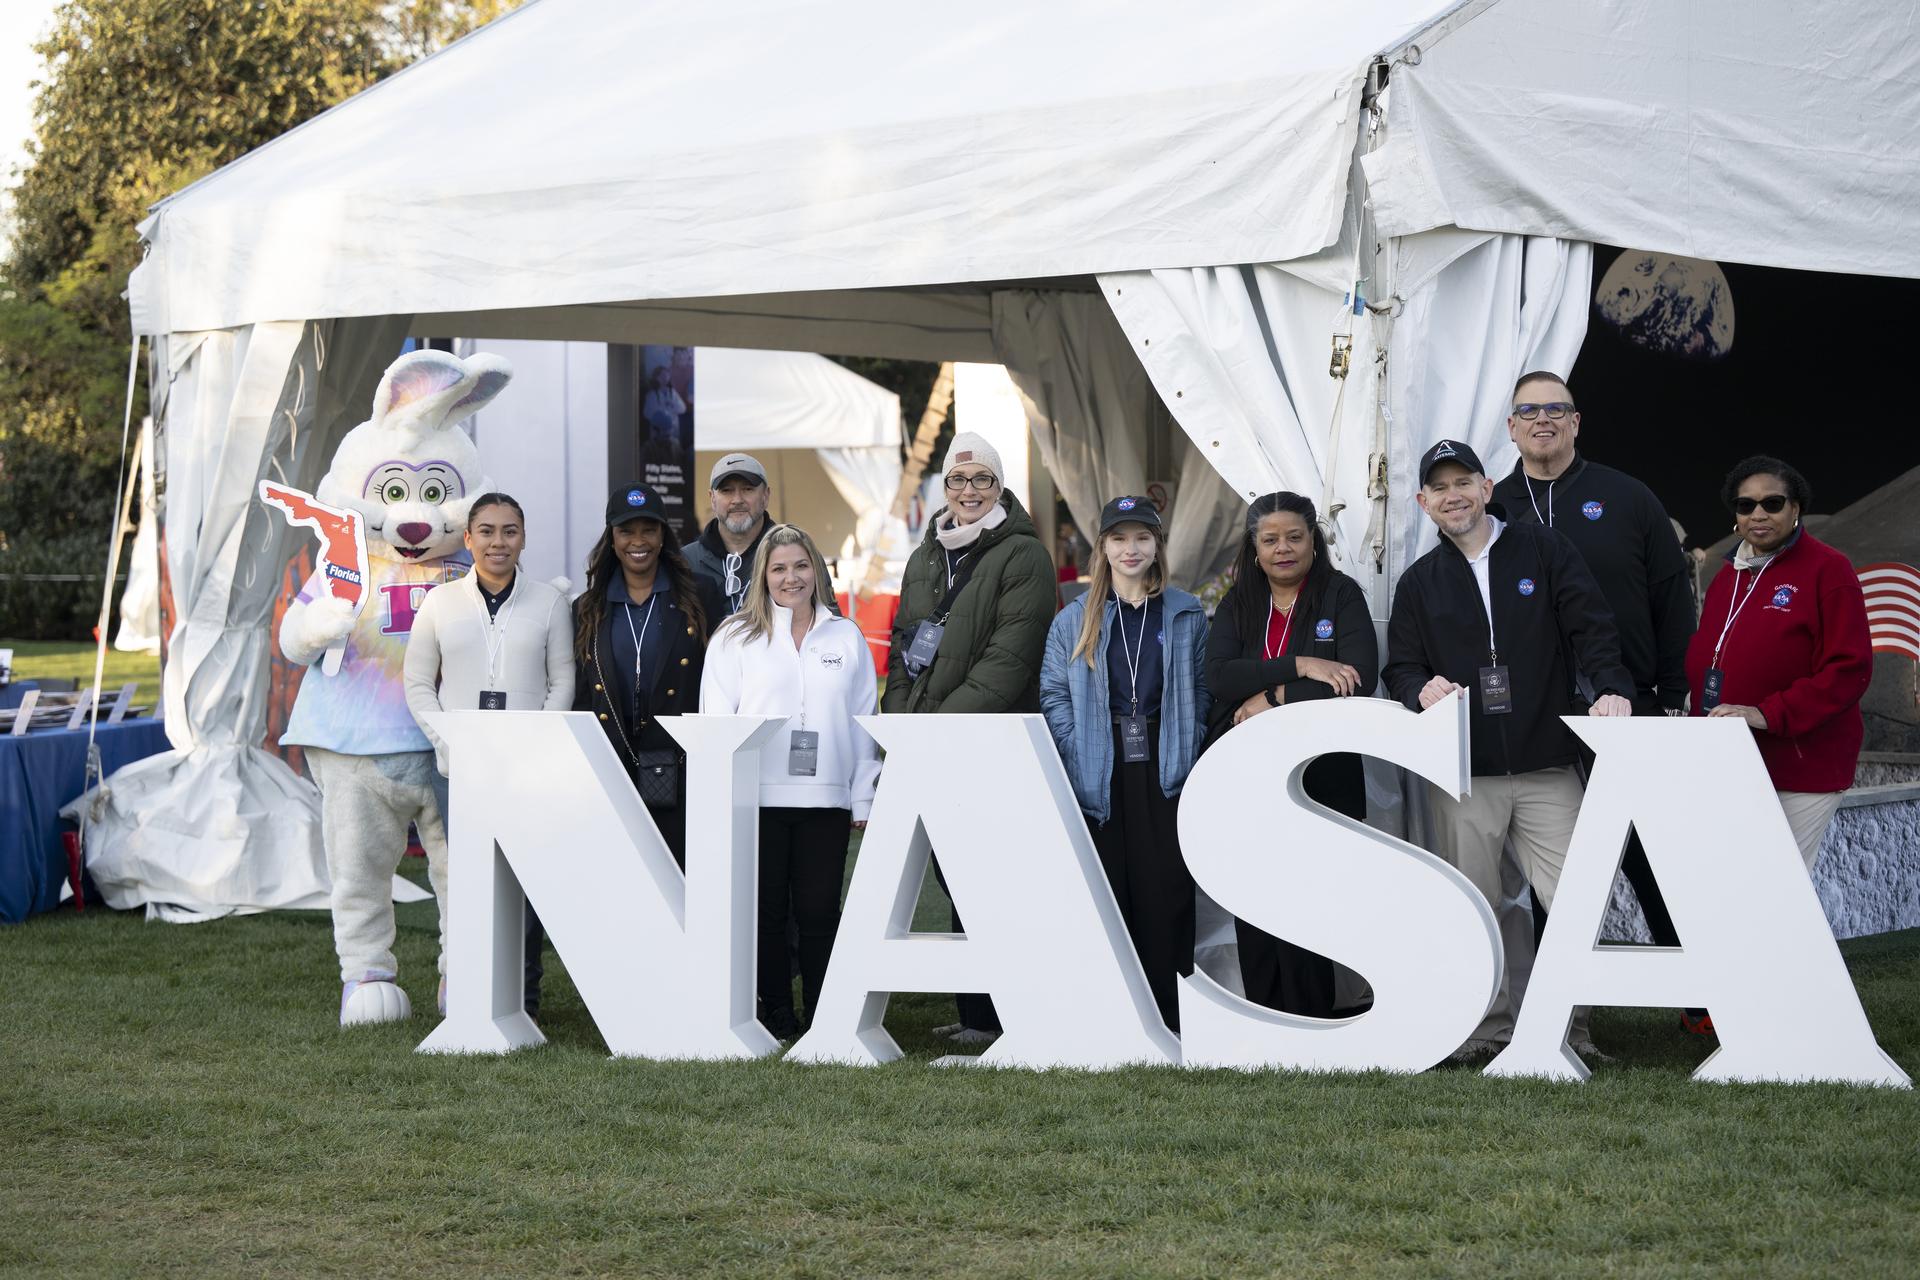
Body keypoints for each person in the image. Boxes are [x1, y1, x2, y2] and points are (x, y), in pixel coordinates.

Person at [1384, 439, 1635, 1063]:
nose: (1453, 496)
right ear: (1424, 502)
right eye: (1439, 489)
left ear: (1486, 486)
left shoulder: (1543, 550)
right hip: (1467, 774)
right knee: (1478, 907)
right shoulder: (1420, 582)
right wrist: (1420, 689)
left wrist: (1611, 688)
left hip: (1548, 761)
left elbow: (1592, 627)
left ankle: (1569, 1030)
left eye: (1463, 482)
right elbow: (1402, 667)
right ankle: (1487, 1031)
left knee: (1576, 899)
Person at [1489, 371, 1699, 1026]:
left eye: (1557, 409)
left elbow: (1672, 600)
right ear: (1511, 428)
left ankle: (1702, 1000)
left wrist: (1668, 693)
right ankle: (1562, 1011)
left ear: (1576, 422)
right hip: (1531, 714)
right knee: (1560, 854)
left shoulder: (1627, 497)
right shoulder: (1492, 506)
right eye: (1530, 411)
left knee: (1646, 851)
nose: (1543, 420)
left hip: (1624, 703)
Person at [885, 431, 1056, 1045]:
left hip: (986, 745)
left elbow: (1009, 662)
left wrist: (931, 731)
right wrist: (900, 725)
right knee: (953, 874)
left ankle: (1003, 1013)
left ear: (1000, 486)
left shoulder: (1023, 556)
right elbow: (905, 644)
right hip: (931, 741)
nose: (969, 492)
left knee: (993, 878)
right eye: (958, 481)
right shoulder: (926, 552)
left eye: (982, 479)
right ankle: (976, 1012)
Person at [701, 524, 881, 1038]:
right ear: (763, 574)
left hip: (827, 799)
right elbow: (717, 721)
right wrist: (723, 795)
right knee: (767, 913)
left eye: (801, 566)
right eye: (779, 568)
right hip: (756, 797)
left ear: (816, 571)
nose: (791, 577)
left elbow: (864, 721)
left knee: (820, 910)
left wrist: (862, 795)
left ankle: (824, 1014)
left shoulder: (845, 637)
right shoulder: (735, 638)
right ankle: (776, 1011)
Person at [1039, 496, 1209, 1031]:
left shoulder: (1184, 612)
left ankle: (1169, 1014)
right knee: (1109, 890)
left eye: (1141, 538)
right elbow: (1053, 693)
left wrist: (1191, 736)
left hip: (1164, 762)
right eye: (1119, 538)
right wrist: (1074, 746)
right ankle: (1112, 1018)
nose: (1130, 549)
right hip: (1101, 764)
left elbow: (1202, 689)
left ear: (1157, 545)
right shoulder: (1074, 617)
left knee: (1168, 893)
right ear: (1103, 547)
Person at [1203, 492, 1376, 1017]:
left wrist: (1272, 695)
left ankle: (1314, 1015)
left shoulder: (1341, 594)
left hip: (1321, 779)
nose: (1283, 548)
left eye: (1295, 537)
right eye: (1270, 539)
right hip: (1249, 777)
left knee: (1311, 901)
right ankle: (1266, 1013)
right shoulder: (1239, 602)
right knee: (1255, 897)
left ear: (1313, 542)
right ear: (1254, 549)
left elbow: (1356, 677)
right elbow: (1220, 676)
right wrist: (1300, 665)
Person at [403, 493, 574, 1015]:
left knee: (523, 882)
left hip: (526, 772)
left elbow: (562, 680)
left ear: (523, 537)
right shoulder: (439, 603)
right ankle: (469, 991)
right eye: (488, 531)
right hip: (460, 771)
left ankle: (523, 995)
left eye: (510, 531)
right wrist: (448, 741)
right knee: (470, 881)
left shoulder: (549, 602)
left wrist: (533, 748)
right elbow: (416, 683)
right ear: (469, 538)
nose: (498, 542)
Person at [1685, 456, 1871, 872]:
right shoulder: (1728, 575)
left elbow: (1848, 669)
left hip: (1801, 766)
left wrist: (1766, 713)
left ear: (1795, 508)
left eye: (1772, 503)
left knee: (1777, 886)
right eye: (1745, 505)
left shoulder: (1828, 569)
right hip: (1735, 763)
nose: (1758, 514)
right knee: (1740, 881)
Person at [573, 482, 725, 868]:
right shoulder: (587, 608)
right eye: (626, 531)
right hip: (612, 762)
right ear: (611, 538)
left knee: (678, 874)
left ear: (663, 536)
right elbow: (581, 695)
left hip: (681, 764)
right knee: (618, 874)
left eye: (648, 529)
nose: (637, 541)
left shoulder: (701, 594)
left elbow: (720, 680)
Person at [683, 453, 776, 616]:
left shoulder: (794, 554)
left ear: (765, 496)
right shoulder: (686, 561)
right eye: (726, 490)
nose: (737, 500)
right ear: (712, 499)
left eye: (748, 489)